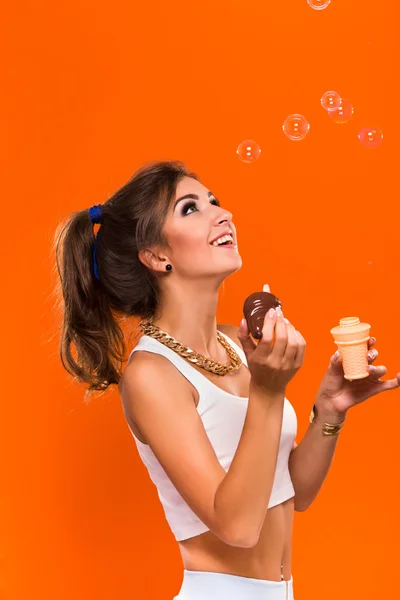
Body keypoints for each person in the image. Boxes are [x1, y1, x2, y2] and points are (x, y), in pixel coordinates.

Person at [54, 160, 400, 600]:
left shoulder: (236, 343)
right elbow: (237, 527)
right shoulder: (152, 374)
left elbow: (292, 493)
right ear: (157, 255)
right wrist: (268, 390)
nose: (223, 214)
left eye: (215, 201)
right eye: (190, 208)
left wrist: (329, 410)